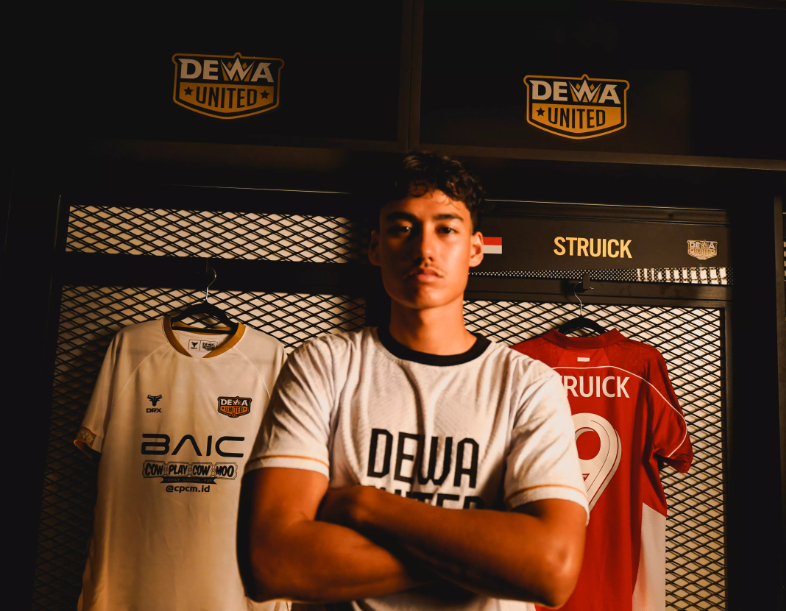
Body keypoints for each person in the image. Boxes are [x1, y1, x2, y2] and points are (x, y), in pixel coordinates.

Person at [237, 151, 588, 611]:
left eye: (446, 229)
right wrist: (493, 556)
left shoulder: (528, 384)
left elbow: (551, 570)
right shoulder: (323, 364)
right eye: (403, 228)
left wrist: (366, 507)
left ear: (475, 250)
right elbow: (271, 563)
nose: (424, 249)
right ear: (375, 247)